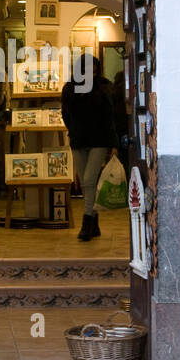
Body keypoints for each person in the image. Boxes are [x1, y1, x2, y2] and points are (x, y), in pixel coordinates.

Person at [61, 53, 120, 242]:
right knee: (87, 182)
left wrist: (113, 144)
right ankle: (94, 222)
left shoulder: (104, 86)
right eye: (88, 70)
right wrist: (73, 130)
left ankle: (86, 222)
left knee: (88, 180)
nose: (92, 73)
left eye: (95, 70)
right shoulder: (70, 88)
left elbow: (110, 117)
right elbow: (66, 114)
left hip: (99, 140)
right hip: (78, 139)